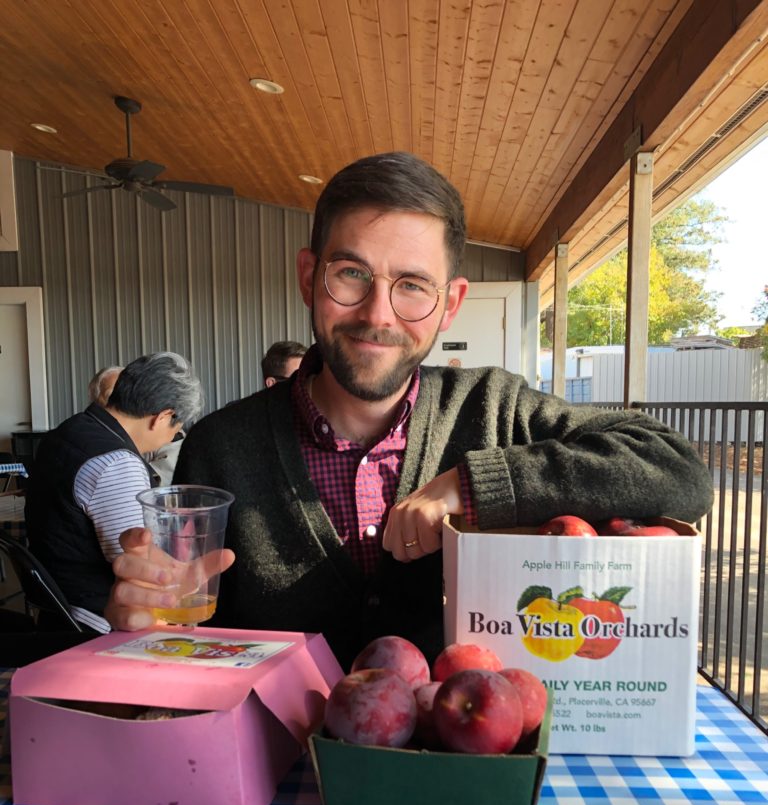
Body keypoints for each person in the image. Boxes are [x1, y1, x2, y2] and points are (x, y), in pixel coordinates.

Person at [105, 152, 714, 669]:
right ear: (309, 277)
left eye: (412, 285)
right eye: (351, 274)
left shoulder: (495, 409)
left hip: (463, 778)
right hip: (276, 788)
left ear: (451, 304)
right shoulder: (220, 446)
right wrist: (146, 628)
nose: (378, 313)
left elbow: (678, 470)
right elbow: (189, 645)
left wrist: (475, 484)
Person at [26, 352, 204, 633]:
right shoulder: (116, 463)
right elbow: (140, 563)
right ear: (163, 417)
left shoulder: (68, 430)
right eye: (176, 430)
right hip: (92, 622)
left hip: (53, 604)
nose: (171, 439)